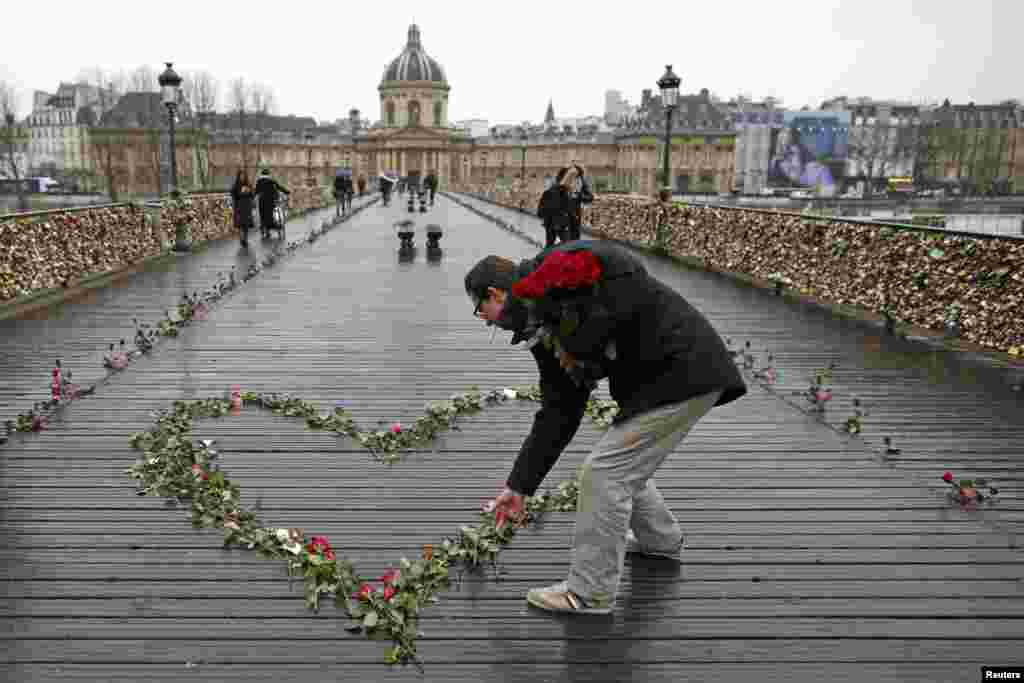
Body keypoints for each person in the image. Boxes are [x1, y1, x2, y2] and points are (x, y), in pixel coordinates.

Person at [464, 241, 747, 615]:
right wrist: (519, 486)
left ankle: (590, 592)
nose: (484, 319)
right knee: (624, 463)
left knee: (604, 474)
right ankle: (661, 541)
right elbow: (559, 410)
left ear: (495, 293)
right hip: (665, 382)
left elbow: (624, 266)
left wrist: (579, 330)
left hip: (683, 370)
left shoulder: (558, 270)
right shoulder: (542, 327)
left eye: (479, 309)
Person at [537, 167, 575, 247]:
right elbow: (552, 208)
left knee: (549, 245)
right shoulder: (558, 192)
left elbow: (540, 212)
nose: (572, 182)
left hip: (554, 224)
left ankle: (545, 257)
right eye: (571, 180)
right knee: (568, 246)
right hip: (558, 224)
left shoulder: (554, 191)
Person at [254, 169, 291, 238]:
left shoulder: (259, 181)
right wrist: (287, 192)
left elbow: (256, 191)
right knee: (270, 214)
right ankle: (271, 227)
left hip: (261, 201)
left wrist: (252, 196)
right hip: (270, 200)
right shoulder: (271, 181)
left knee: (263, 215)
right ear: (268, 174)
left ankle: (265, 229)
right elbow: (279, 187)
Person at [230, 169, 255, 246]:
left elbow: (252, 195)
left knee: (246, 225)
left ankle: (245, 239)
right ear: (238, 176)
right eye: (241, 175)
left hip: (247, 207)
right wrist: (240, 192)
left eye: (244, 175)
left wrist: (249, 191)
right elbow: (233, 194)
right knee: (240, 224)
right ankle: (242, 238)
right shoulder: (235, 185)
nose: (242, 177)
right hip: (239, 207)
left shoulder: (248, 184)